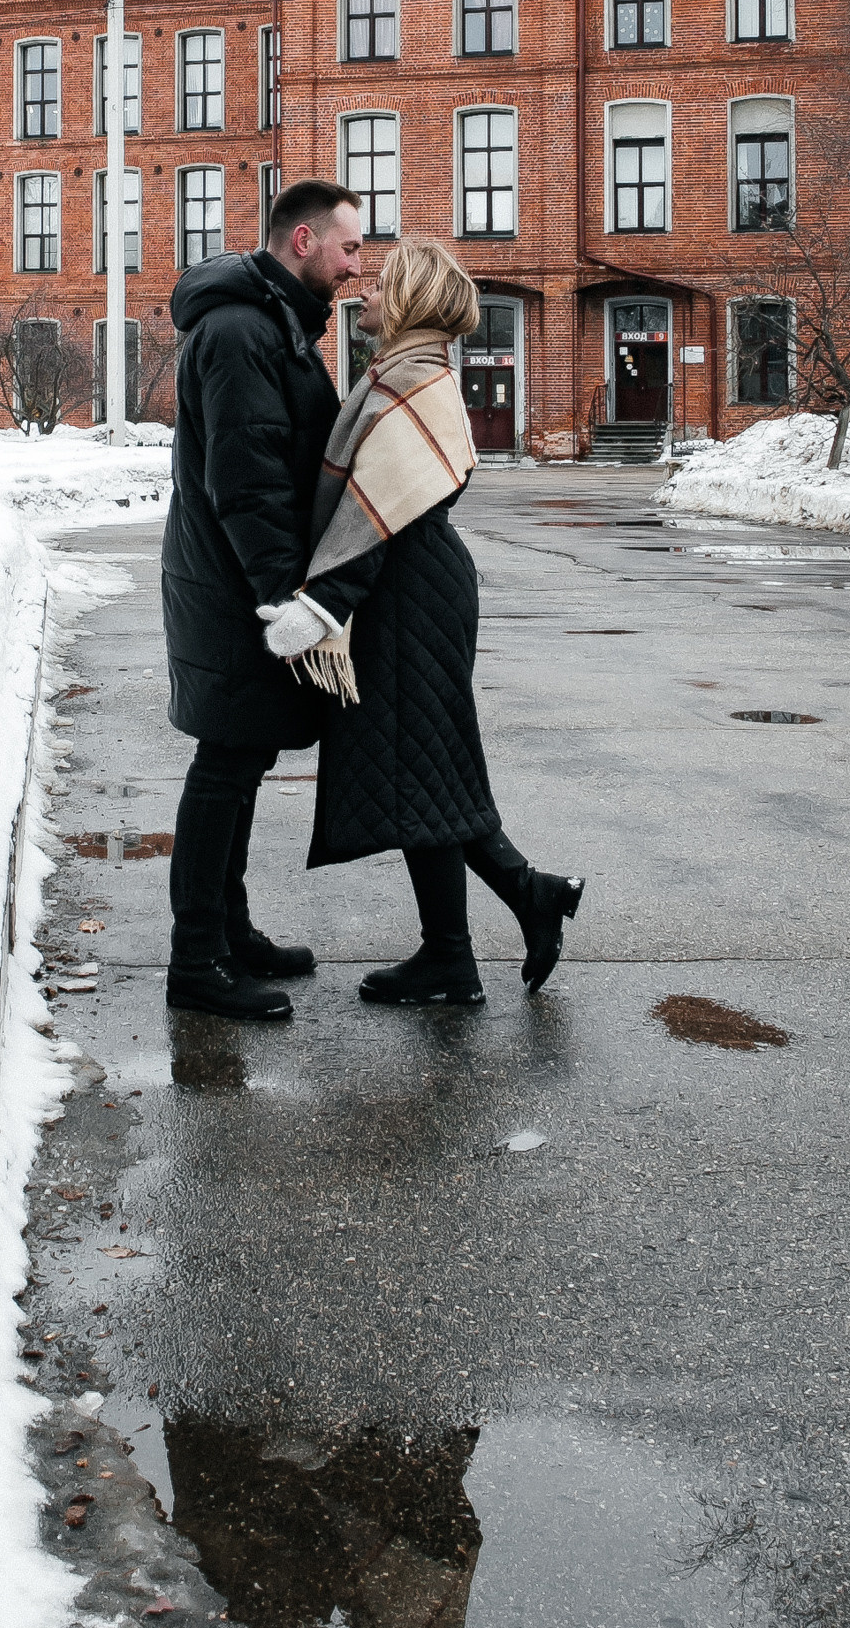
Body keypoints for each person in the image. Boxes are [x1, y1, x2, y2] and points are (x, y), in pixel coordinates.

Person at [259, 236, 586, 1007]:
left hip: (407, 589)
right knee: (422, 765)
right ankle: (493, 920)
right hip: (411, 587)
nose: (359, 296)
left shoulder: (412, 381)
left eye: (377, 289)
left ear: (406, 303)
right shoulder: (407, 373)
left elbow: (385, 513)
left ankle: (461, 946)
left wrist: (322, 606)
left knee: (420, 762)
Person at [160, 178, 367, 1021]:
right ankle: (194, 962)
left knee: (238, 764)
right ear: (303, 241)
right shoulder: (244, 329)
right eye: (349, 247)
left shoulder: (272, 321)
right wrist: (285, 600)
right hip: (234, 589)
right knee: (224, 766)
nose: (358, 266)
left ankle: (230, 933)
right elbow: (245, 482)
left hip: (234, 583)